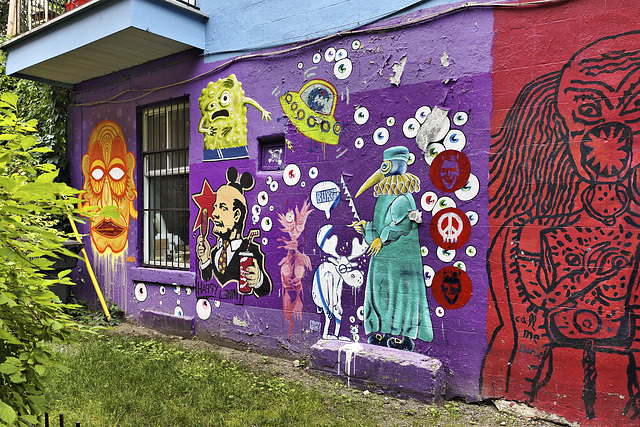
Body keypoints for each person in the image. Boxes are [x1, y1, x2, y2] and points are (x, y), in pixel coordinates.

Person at [350, 146, 432, 351]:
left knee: (400, 294)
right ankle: (382, 331)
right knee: (381, 293)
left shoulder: (402, 197)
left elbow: (402, 225)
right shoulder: (385, 196)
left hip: (399, 260)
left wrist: (381, 239)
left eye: (384, 166)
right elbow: (380, 226)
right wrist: (366, 229)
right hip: (383, 259)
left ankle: (401, 336)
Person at [196, 167, 272, 298]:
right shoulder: (214, 252)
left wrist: (258, 280)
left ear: (237, 215)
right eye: (215, 207)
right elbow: (207, 278)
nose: (214, 214)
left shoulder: (251, 250)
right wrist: (204, 259)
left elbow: (264, 290)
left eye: (222, 208)